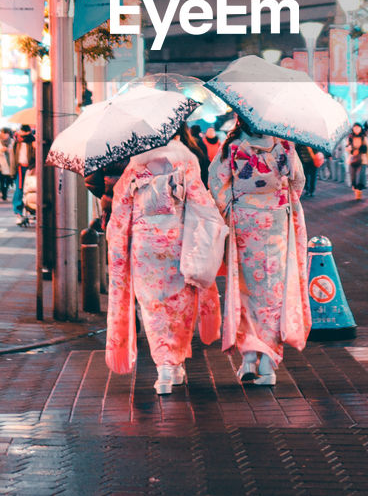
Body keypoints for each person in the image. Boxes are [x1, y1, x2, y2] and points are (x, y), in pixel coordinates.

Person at [105, 141, 222, 395]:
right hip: (177, 242)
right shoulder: (185, 160)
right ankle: (173, 362)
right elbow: (202, 203)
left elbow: (120, 210)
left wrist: (117, 243)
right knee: (181, 305)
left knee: (153, 307)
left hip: (144, 246)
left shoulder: (135, 166)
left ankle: (165, 368)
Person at [209, 119, 310, 386]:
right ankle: (268, 364)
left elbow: (216, 184)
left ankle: (249, 357)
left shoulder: (232, 146)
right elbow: (298, 180)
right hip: (276, 220)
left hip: (245, 221)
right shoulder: (284, 144)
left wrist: (231, 208)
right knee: (274, 290)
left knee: (245, 290)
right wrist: (279, 197)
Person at [346, 123, 368, 201]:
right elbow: (347, 149)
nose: (356, 129)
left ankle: (359, 193)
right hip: (352, 160)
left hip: (362, 160)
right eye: (355, 128)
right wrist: (350, 150)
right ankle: (356, 190)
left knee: (360, 176)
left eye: (358, 128)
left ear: (361, 128)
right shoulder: (350, 138)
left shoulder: (364, 138)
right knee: (353, 177)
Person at [0, 128, 15, 202]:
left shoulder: (12, 141)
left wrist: (9, 150)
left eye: (6, 133)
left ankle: (5, 191)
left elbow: (14, 151)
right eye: (3, 133)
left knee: (8, 179)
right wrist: (0, 151)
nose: (5, 135)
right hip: (0, 163)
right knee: (2, 180)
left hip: (10, 163)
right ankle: (4, 194)